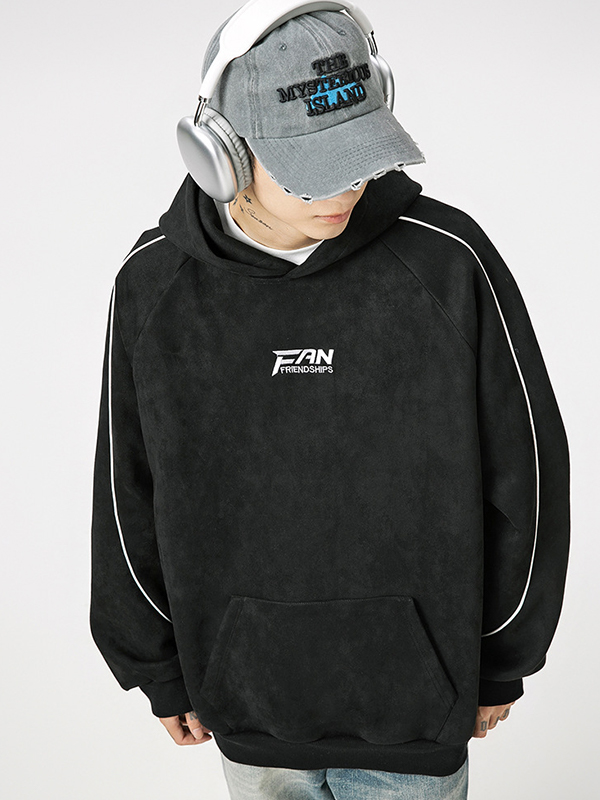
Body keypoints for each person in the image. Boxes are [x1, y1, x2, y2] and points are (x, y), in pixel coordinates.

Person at [89, 2, 570, 798]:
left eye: (360, 156)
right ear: (222, 152)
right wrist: (155, 665)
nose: (345, 187)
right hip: (248, 708)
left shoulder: (448, 262)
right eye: (311, 166)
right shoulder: (154, 286)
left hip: (416, 713)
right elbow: (123, 491)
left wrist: (504, 657)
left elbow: (529, 474)